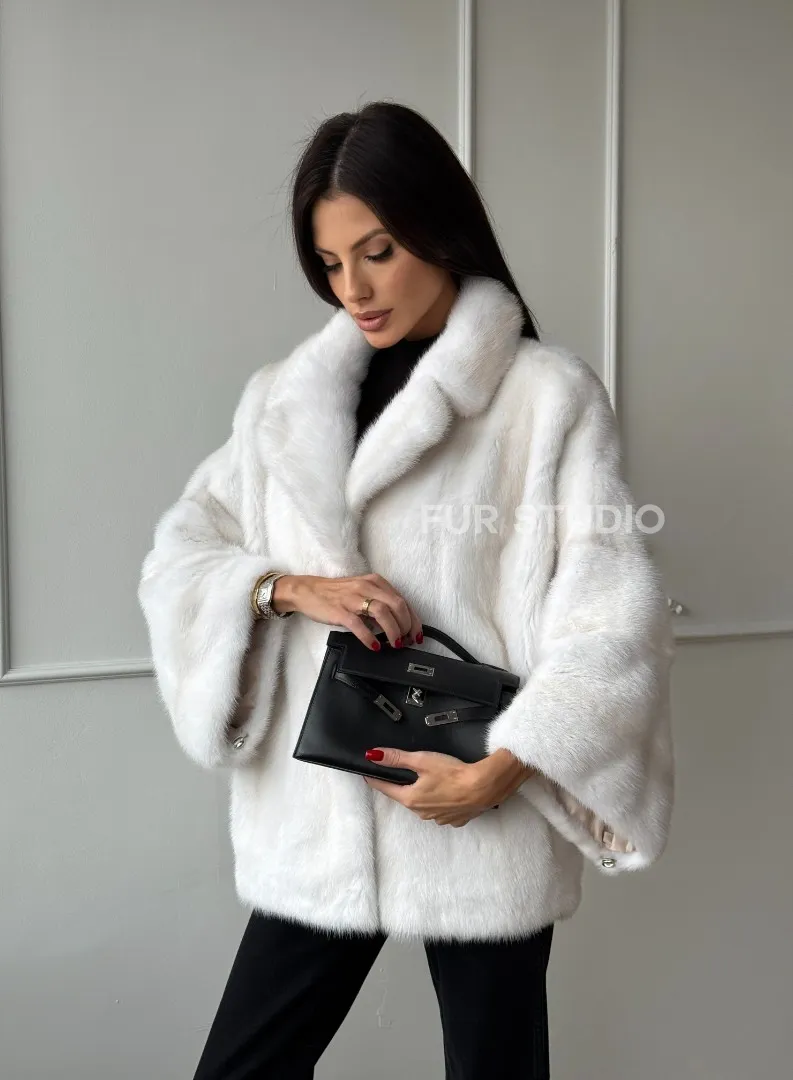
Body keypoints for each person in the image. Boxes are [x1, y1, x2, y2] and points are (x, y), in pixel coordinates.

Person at [137, 101, 675, 1079]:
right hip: (318, 817)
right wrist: (287, 587)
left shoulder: (544, 398)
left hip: (480, 808)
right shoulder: (283, 403)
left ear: (437, 228)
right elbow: (184, 551)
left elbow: (612, 615)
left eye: (376, 252)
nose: (353, 288)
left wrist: (497, 771)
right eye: (330, 263)